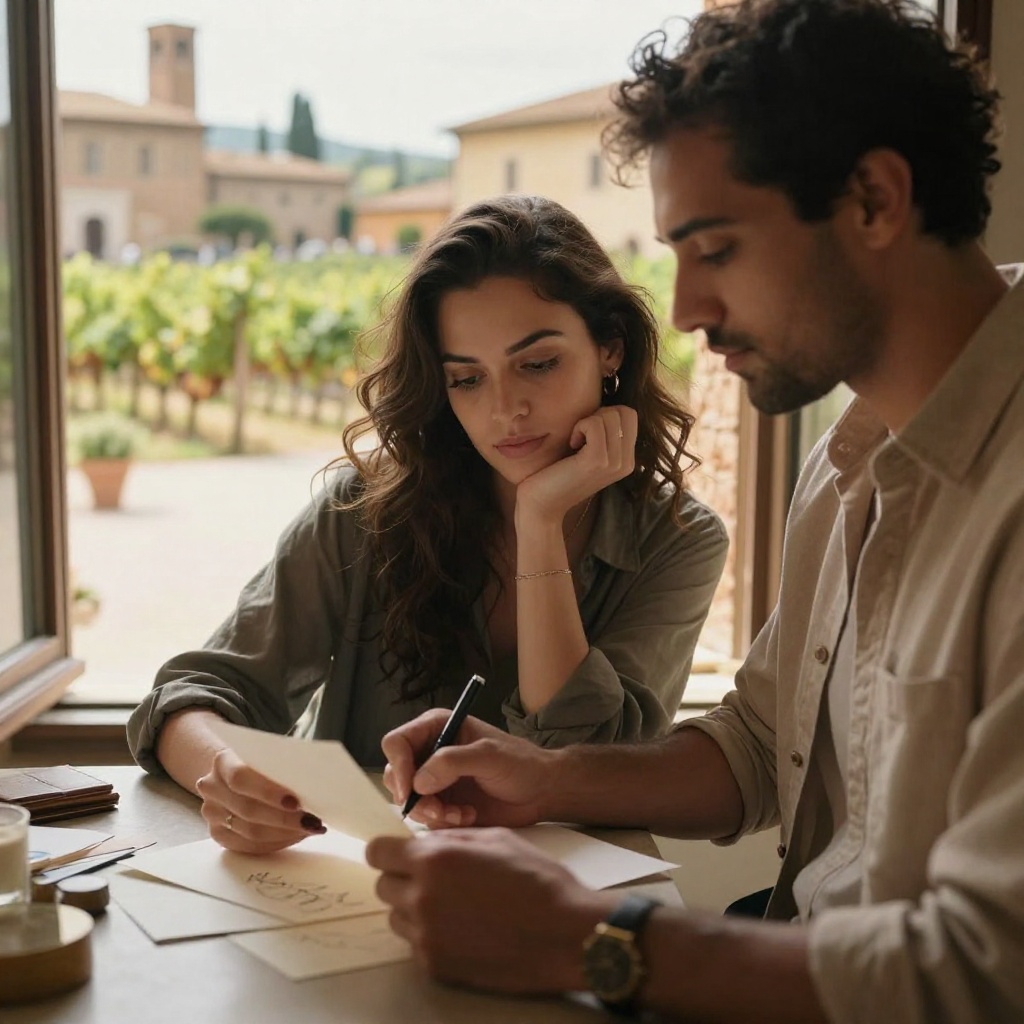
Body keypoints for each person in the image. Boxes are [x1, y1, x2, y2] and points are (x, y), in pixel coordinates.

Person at [366, 2, 1024, 1021]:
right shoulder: (851, 452)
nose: (683, 311)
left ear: (874, 199)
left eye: (714, 248)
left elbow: (984, 973)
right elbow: (762, 747)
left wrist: (586, 943)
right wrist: (543, 776)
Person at [127, 194, 728, 855]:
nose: (506, 409)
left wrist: (540, 521)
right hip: (360, 894)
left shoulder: (681, 540)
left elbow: (587, 765)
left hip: (561, 911)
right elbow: (194, 694)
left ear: (609, 350)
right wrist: (226, 774)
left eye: (537, 363)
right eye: (467, 379)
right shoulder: (366, 508)